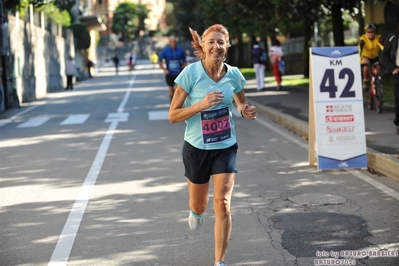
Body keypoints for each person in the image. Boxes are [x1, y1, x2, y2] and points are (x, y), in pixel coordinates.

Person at [168, 24, 257, 266]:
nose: (216, 46)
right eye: (211, 42)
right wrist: (201, 104)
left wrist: (244, 109)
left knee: (223, 203)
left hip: (225, 145)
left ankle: (219, 262)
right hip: (196, 148)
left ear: (227, 46)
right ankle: (195, 212)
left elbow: (240, 100)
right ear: (203, 46)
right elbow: (173, 115)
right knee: (200, 204)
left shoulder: (234, 74)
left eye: (221, 42)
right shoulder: (191, 74)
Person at [380, 22, 399, 135]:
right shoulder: (393, 38)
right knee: (398, 99)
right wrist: (392, 68)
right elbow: (384, 55)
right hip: (397, 71)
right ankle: (398, 123)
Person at [158, 36, 187, 101]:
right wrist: (164, 69)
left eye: (174, 42)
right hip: (169, 74)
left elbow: (185, 61)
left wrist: (184, 68)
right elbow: (159, 61)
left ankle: (177, 106)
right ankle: (172, 105)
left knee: (178, 92)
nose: (173, 43)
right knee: (171, 92)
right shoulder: (166, 51)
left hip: (178, 73)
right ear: (169, 42)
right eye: (171, 42)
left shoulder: (180, 50)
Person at [358, 24, 384, 92]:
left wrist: (385, 52)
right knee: (366, 67)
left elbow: (382, 46)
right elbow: (361, 49)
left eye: (372, 32)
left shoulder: (378, 37)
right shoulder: (363, 38)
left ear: (375, 32)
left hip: (375, 56)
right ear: (365, 32)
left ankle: (376, 82)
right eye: (368, 32)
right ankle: (365, 81)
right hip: (366, 56)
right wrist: (361, 58)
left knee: (377, 70)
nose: (370, 34)